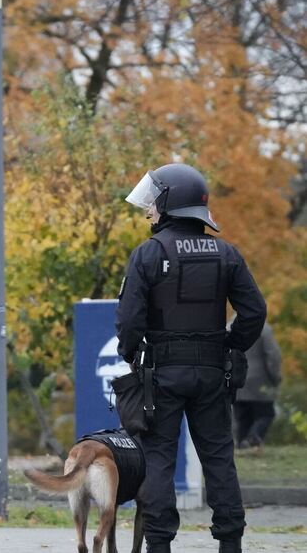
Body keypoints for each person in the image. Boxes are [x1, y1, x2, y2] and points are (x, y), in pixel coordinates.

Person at [116, 163, 266, 553]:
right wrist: (231, 345)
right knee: (218, 458)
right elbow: (254, 312)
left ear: (170, 202)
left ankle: (160, 544)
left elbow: (130, 319)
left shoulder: (148, 254)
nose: (148, 209)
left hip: (162, 373)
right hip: (213, 371)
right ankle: (230, 543)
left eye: (152, 201)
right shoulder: (227, 254)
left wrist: (130, 353)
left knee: (160, 458)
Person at [233, 321, 281, 449]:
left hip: (236, 380)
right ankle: (254, 438)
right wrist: (275, 377)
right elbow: (273, 355)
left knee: (242, 417)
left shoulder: (229, 326)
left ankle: (242, 444)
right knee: (266, 413)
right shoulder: (263, 329)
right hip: (260, 381)